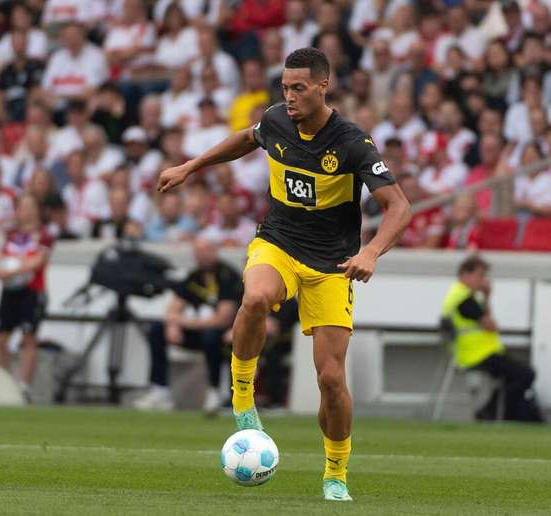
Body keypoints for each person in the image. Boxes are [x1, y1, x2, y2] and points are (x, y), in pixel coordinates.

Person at [157, 48, 410, 501]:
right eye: (285, 88)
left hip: (332, 264)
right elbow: (245, 138)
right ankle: (242, 395)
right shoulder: (276, 120)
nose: (289, 97)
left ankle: (335, 474)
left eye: (298, 88)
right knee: (254, 299)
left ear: (322, 86)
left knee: (331, 380)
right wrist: (190, 167)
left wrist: (371, 251)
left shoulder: (352, 141)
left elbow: (399, 206)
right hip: (278, 243)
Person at [134, 238, 241, 414]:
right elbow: (174, 308)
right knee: (157, 330)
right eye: (196, 252)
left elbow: (223, 318)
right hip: (199, 329)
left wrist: (183, 322)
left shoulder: (227, 276)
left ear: (214, 251)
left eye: (204, 251)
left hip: (225, 334)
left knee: (212, 337)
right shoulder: (194, 277)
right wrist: (172, 325)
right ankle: (160, 389)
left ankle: (214, 391)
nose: (199, 256)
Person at [442, 256, 542, 422]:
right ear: (465, 275)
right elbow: (490, 325)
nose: (483, 280)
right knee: (525, 374)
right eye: (479, 275)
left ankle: (495, 411)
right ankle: (492, 412)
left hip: (478, 352)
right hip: (477, 354)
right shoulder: (464, 298)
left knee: (517, 374)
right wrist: (487, 295)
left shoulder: (458, 295)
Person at [0, 194, 54, 402]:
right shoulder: (11, 235)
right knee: (0, 338)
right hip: (10, 291)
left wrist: (13, 268)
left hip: (32, 291)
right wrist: (2, 270)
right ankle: (4, 383)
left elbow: (37, 262)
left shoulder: (44, 235)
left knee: (28, 338)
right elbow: (0, 261)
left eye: (29, 206)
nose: (24, 211)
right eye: (21, 207)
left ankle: (24, 387)